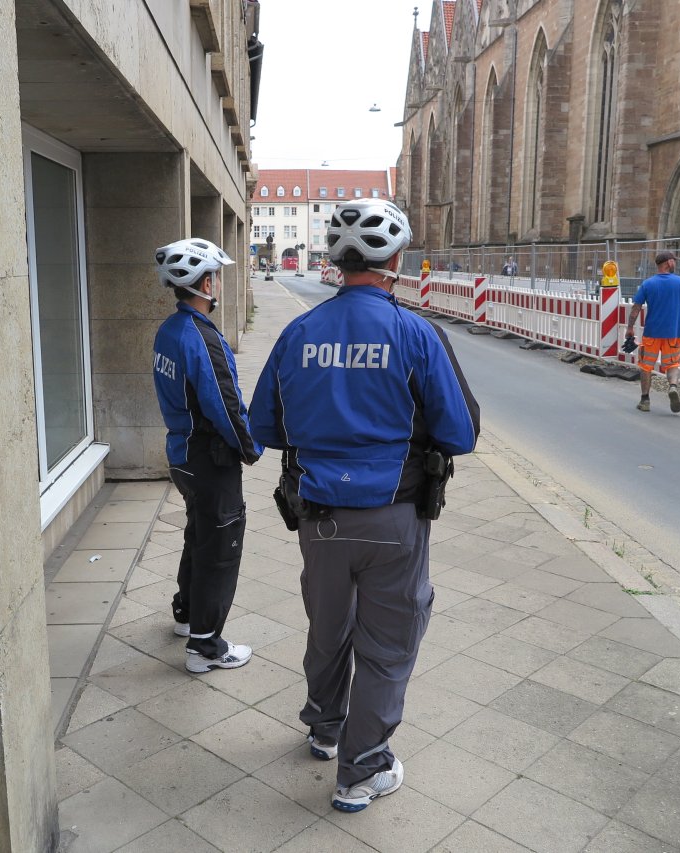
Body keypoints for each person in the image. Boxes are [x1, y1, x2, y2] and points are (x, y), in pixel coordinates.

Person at [248, 199, 480, 813]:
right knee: (387, 645)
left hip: (317, 517)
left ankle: (324, 728)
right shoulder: (415, 333)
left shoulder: (299, 331)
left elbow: (261, 426)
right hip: (393, 518)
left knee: (328, 627)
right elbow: (459, 434)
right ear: (396, 260)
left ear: (335, 259)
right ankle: (362, 771)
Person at [152, 238, 262, 673]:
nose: (218, 282)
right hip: (208, 459)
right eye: (216, 276)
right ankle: (205, 647)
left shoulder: (169, 330)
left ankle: (187, 615)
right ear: (205, 282)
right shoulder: (201, 337)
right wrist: (250, 448)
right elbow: (225, 403)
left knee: (198, 533)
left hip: (181, 454)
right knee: (220, 545)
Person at [626, 250, 680, 413]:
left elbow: (636, 308)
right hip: (673, 333)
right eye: (674, 261)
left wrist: (630, 328)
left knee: (646, 366)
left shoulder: (648, 284)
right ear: (668, 263)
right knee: (672, 364)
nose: (675, 263)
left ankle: (645, 400)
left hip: (652, 333)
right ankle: (672, 386)